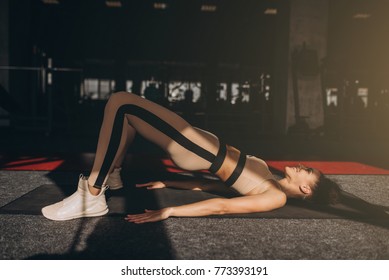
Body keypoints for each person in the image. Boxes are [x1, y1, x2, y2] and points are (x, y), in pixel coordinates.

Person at [42, 92, 340, 223]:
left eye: (308, 172)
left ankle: (92, 194)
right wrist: (170, 182)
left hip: (195, 148)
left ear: (306, 189)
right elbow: (216, 187)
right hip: (200, 141)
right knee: (128, 118)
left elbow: (223, 206)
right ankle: (113, 173)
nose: (303, 167)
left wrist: (169, 211)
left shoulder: (276, 197)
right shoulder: (268, 177)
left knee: (121, 102)